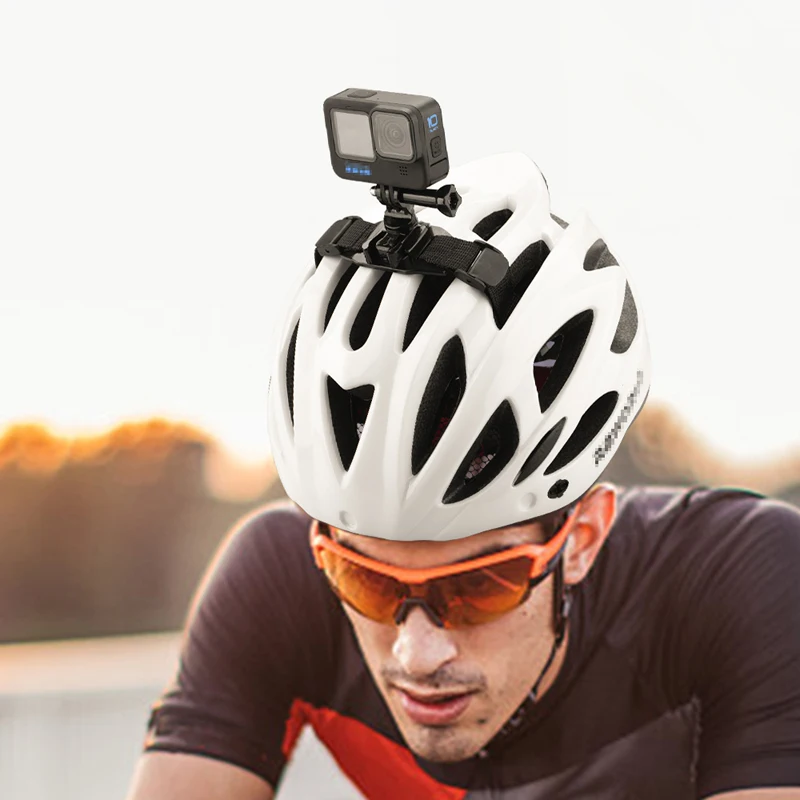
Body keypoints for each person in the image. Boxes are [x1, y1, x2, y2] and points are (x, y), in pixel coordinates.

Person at [125, 153, 800, 799]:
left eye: (479, 586)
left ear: (584, 538)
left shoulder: (741, 580)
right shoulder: (277, 579)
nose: (416, 655)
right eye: (363, 581)